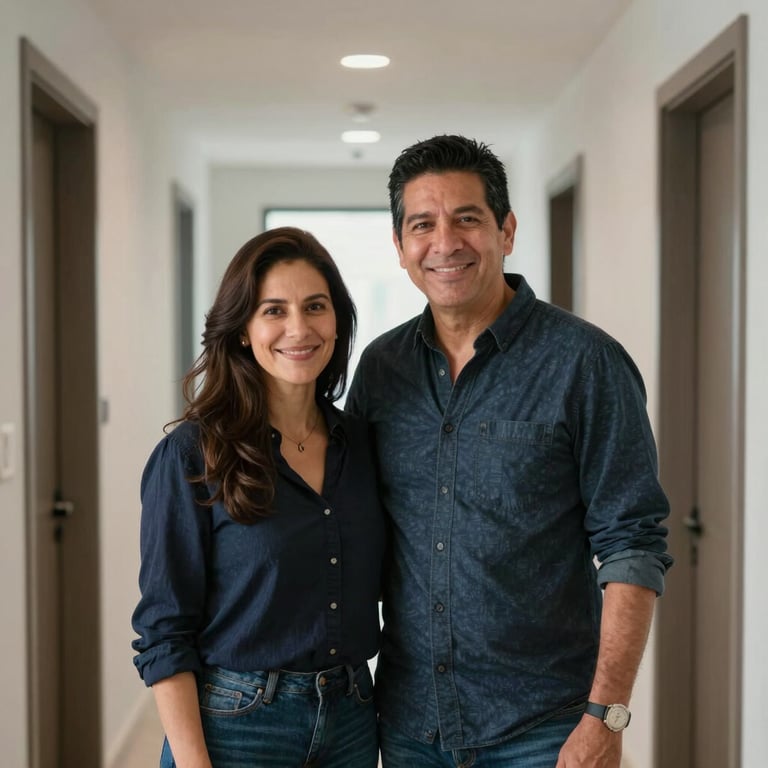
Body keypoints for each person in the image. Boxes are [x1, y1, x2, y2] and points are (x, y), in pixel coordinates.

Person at [345, 135, 673, 768]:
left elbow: (632, 543)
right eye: (422, 225)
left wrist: (606, 715)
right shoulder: (381, 370)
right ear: (400, 246)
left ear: (507, 231)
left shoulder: (586, 363)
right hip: (411, 725)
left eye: (467, 218)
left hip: (544, 730)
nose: (445, 243)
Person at [132, 227, 385, 768]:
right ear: (244, 330)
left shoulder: (363, 445)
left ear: (337, 321)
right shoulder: (192, 454)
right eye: (274, 310)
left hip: (352, 720)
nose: (299, 328)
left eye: (315, 306)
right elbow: (164, 630)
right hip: (237, 726)